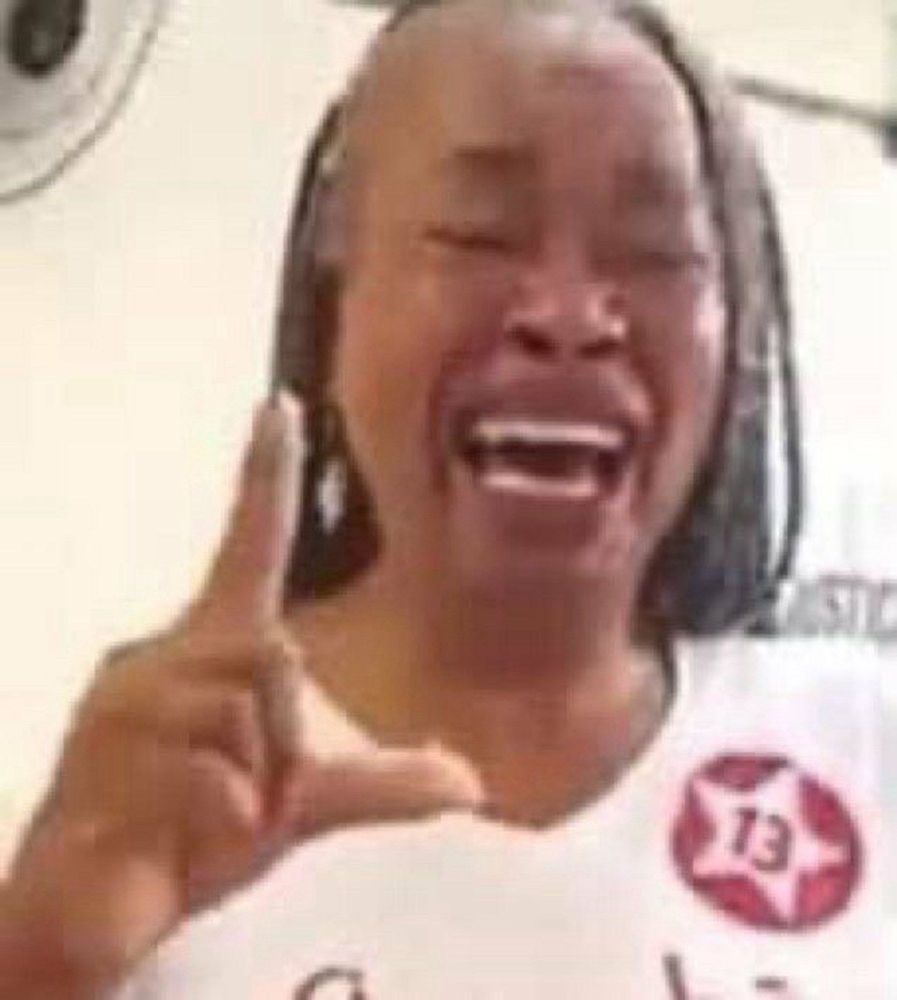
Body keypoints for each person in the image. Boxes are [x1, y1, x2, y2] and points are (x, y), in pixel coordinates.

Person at [0, 0, 889, 997]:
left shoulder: (864, 755)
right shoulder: (156, 802)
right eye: (479, 233)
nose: (570, 317)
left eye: (654, 252)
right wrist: (40, 965)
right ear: (340, 284)